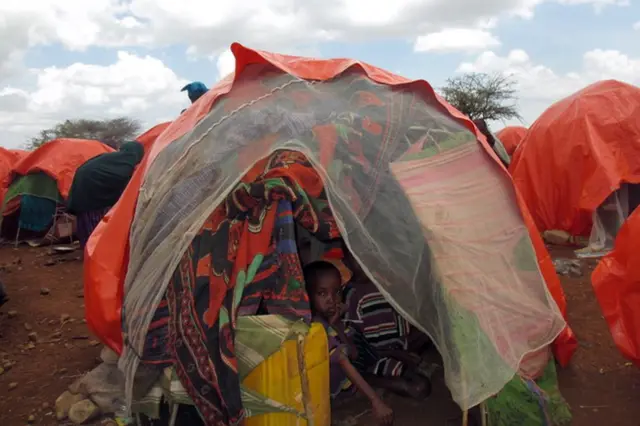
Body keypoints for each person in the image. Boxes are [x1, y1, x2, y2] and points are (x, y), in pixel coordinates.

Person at [67, 141, 145, 251]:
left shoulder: (111, 158)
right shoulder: (127, 163)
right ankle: (98, 252)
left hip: (82, 191)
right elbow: (126, 184)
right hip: (93, 195)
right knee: (98, 225)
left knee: (87, 222)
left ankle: (90, 251)